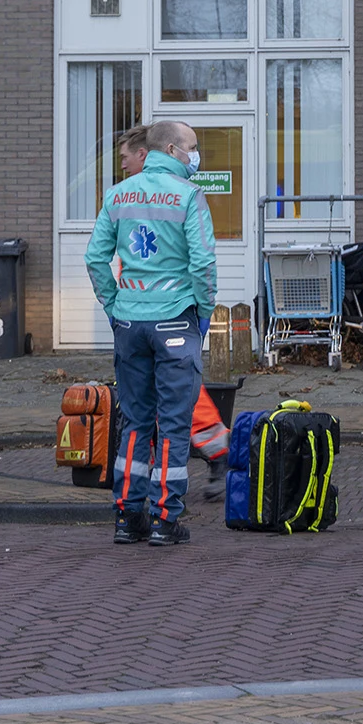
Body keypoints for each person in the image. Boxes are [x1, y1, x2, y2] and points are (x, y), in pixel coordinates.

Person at [86, 119, 217, 544]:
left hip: (130, 321)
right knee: (175, 425)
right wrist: (204, 313)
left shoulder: (118, 195)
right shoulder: (189, 196)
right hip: (176, 319)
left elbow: (95, 259)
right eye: (193, 147)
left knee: (136, 423)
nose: (197, 155)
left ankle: (128, 517)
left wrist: (113, 304)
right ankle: (165, 519)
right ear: (173, 150)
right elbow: (202, 265)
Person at [116, 126, 231, 498]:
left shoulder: (142, 198)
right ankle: (163, 502)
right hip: (161, 317)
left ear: (145, 155)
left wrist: (113, 308)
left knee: (164, 408)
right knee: (173, 400)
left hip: (146, 318)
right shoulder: (138, 198)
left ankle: (146, 503)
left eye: (125, 158)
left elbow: (200, 263)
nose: (122, 165)